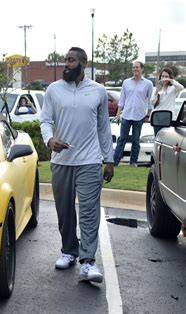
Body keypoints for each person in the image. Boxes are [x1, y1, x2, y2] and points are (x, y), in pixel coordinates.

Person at [40, 47, 114, 284]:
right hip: (62, 161)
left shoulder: (98, 91)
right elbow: (45, 120)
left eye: (71, 60)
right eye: (66, 60)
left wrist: (109, 159)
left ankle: (88, 262)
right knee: (64, 211)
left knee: (89, 211)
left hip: (90, 160)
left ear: (83, 62)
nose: (67, 64)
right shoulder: (54, 90)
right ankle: (69, 251)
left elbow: (103, 128)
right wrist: (49, 140)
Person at [113, 61, 153, 166]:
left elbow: (150, 101)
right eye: (133, 67)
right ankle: (115, 161)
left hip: (139, 116)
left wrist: (148, 115)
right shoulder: (126, 82)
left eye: (137, 67)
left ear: (142, 69)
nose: (135, 69)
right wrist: (118, 114)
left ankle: (133, 162)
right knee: (122, 139)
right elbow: (122, 100)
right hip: (126, 115)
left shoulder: (148, 84)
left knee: (136, 140)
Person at [150, 67, 184, 135]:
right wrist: (156, 91)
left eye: (166, 76)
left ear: (170, 77)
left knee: (167, 138)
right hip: (157, 117)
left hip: (169, 118)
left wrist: (171, 80)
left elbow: (181, 87)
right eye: (162, 76)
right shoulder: (157, 88)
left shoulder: (173, 88)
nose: (164, 78)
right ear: (160, 77)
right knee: (158, 137)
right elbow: (152, 102)